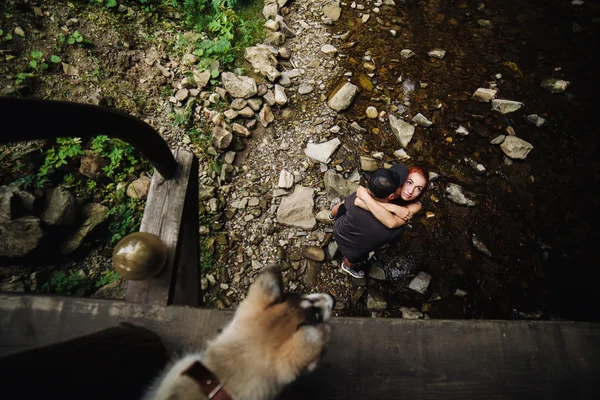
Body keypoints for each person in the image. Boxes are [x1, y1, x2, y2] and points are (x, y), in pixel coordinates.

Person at [329, 164, 428, 278]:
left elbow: (391, 222)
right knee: (357, 254)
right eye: (409, 182)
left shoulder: (413, 205)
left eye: (418, 188)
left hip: (341, 229)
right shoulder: (388, 188)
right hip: (357, 248)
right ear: (402, 181)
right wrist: (394, 208)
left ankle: (332, 213)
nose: (411, 191)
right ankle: (347, 266)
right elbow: (390, 224)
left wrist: (364, 199)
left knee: (346, 203)